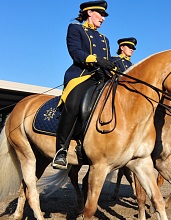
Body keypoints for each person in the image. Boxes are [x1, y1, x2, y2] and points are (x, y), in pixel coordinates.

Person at [52, 0, 116, 170]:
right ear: (89, 13)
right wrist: (95, 59)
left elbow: (108, 61)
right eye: (100, 14)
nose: (103, 18)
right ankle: (62, 150)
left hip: (102, 77)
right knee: (73, 104)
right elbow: (75, 52)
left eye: (104, 16)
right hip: (81, 75)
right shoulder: (75, 28)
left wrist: (112, 67)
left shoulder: (104, 39)